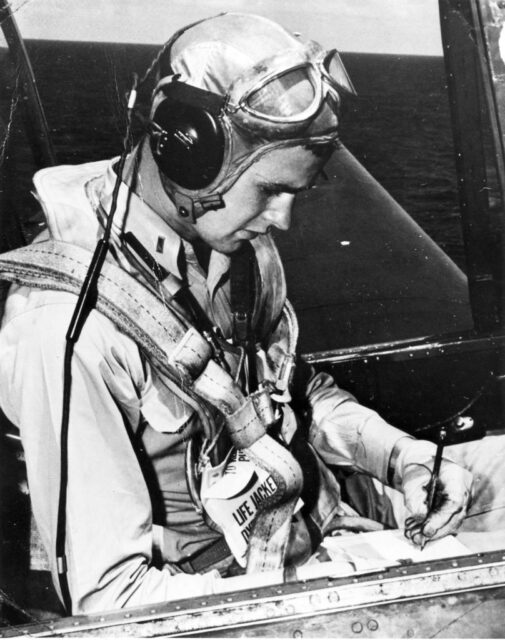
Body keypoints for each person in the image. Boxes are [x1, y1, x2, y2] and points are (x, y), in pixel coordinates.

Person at [0, 12, 503, 616]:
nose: (283, 220)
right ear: (188, 148)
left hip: (334, 513)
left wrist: (403, 457)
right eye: (269, 190)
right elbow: (112, 604)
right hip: (247, 591)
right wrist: (350, 585)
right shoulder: (65, 329)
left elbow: (294, 392)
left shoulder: (236, 244)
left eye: (297, 192)